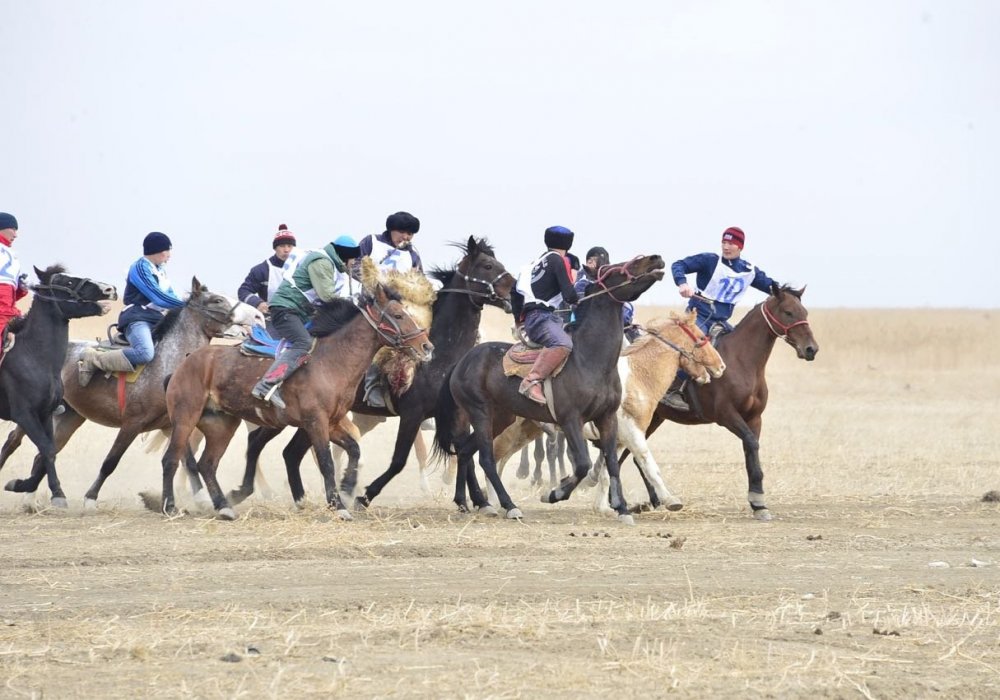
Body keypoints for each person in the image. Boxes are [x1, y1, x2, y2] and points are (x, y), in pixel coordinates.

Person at [663, 226, 780, 410]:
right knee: (692, 348)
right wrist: (682, 283)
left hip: (720, 321)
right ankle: (672, 390)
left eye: (731, 243)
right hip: (698, 316)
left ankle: (723, 395)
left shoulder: (748, 271)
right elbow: (679, 265)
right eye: (724, 242)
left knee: (735, 355)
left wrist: (788, 296)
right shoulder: (709, 260)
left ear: (740, 247)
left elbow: (772, 287)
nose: (726, 247)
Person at [251, 235, 362, 410]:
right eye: (353, 257)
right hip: (286, 309)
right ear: (345, 254)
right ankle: (265, 385)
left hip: (299, 311)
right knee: (303, 342)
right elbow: (328, 296)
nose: (354, 262)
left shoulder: (330, 264)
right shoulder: (322, 262)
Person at [78, 232, 185, 386]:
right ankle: (93, 359)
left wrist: (185, 307)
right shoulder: (139, 268)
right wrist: (185, 306)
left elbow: (171, 296)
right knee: (145, 353)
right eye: (168, 250)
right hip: (138, 317)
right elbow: (158, 297)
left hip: (157, 318)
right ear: (160, 251)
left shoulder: (160, 271)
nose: (170, 255)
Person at [358, 211, 422, 407]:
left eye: (410, 234)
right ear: (391, 230)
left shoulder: (412, 255)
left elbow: (418, 281)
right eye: (403, 232)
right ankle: (372, 385)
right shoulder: (371, 242)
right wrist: (371, 289)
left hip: (396, 307)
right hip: (367, 302)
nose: (406, 237)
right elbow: (354, 266)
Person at [510, 225, 579, 404]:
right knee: (563, 343)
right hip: (543, 318)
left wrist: (519, 321)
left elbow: (514, 292)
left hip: (533, 318)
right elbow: (570, 295)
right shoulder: (558, 260)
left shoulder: (532, 264)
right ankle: (531, 381)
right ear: (568, 244)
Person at [573, 246, 639, 343]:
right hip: (588, 324)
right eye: (590, 260)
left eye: (595, 260)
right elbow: (580, 304)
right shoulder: (583, 279)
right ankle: (635, 340)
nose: (591, 263)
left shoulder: (603, 277)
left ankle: (635, 339)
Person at [238, 223, 297, 319]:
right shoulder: (261, 270)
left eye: (289, 246)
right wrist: (258, 303)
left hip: (300, 317)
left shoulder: (301, 267)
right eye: (282, 246)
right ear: (275, 248)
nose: (286, 250)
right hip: (271, 319)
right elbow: (243, 291)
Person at [358, 211, 422, 273]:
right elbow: (353, 263)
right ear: (391, 230)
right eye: (401, 232)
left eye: (409, 233)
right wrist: (373, 278)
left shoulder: (413, 256)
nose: (405, 237)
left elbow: (421, 281)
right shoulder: (372, 241)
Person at [0, 212, 29, 340]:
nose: (16, 235)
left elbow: (8, 296)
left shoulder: (11, 255)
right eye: (13, 228)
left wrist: (20, 289)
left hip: (10, 314)